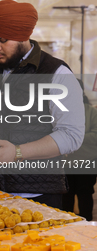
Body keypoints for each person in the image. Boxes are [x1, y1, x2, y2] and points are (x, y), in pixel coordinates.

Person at [0, 0, 85, 209]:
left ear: (23, 36)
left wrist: (17, 152)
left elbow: (71, 136)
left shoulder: (57, 73)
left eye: (2, 40)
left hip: (38, 196)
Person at [62, 80, 97, 221]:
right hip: (65, 163)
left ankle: (86, 225)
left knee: (85, 194)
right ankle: (67, 225)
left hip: (86, 162)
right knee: (66, 195)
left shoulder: (91, 112)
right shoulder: (60, 111)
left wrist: (72, 138)